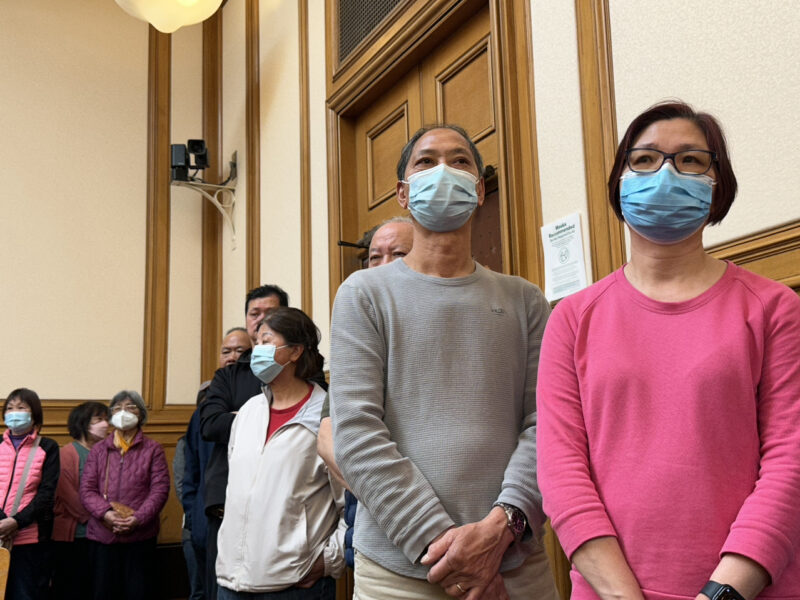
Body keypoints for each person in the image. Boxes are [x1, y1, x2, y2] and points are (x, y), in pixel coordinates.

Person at [536, 101, 800, 600]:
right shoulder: (572, 318)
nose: (665, 174)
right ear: (619, 181)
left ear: (717, 185)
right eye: (644, 159)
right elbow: (561, 470)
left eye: (691, 160)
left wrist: (722, 594)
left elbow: (791, 462)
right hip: (608, 590)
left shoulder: (774, 309)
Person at [330, 124, 557, 600]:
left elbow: (545, 426)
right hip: (399, 571)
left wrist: (499, 531)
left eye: (459, 161)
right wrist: (453, 554)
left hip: (514, 561)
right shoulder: (363, 294)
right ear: (403, 193)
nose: (443, 171)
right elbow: (357, 434)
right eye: (426, 161)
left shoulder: (526, 300)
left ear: (479, 190)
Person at [216, 307, 345, 598]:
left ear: (295, 351)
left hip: (294, 585)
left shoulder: (325, 417)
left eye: (267, 341)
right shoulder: (247, 412)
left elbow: (351, 502)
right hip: (231, 581)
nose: (257, 350)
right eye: (256, 342)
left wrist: (328, 561)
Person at [317, 216, 413, 570]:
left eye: (398, 254)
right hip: (378, 517)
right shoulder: (356, 338)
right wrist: (394, 505)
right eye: (374, 257)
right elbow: (327, 439)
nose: (383, 266)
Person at [199, 285, 289, 600]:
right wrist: (262, 419)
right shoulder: (228, 375)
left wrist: (239, 416)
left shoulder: (306, 373)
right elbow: (210, 425)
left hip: (283, 505)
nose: (260, 320)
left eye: (270, 313)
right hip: (227, 502)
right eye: (254, 314)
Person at [181, 327, 252, 600]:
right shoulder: (203, 413)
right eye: (226, 351)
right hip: (206, 519)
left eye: (240, 350)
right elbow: (190, 471)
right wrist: (193, 514)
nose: (232, 356)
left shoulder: (257, 402)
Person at [80, 390, 170, 600]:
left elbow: (160, 490)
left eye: (130, 407)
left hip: (140, 536)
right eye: (117, 408)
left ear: (141, 414)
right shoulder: (99, 449)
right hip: (103, 535)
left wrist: (137, 519)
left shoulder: (153, 449)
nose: (123, 412)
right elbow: (87, 490)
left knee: (138, 592)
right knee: (103, 592)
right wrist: (106, 514)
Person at [0, 388, 60, 600]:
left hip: (29, 538)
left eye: (21, 407)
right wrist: (2, 522)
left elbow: (46, 494)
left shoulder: (48, 447)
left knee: (25, 593)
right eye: (10, 408)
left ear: (34, 415)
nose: (14, 412)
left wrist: (16, 522)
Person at [51, 401, 109, 600]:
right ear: (83, 423)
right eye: (99, 419)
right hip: (75, 535)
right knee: (72, 588)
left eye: (106, 419)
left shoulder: (106, 452)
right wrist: (103, 517)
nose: (105, 424)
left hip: (104, 534)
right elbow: (69, 497)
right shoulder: (67, 453)